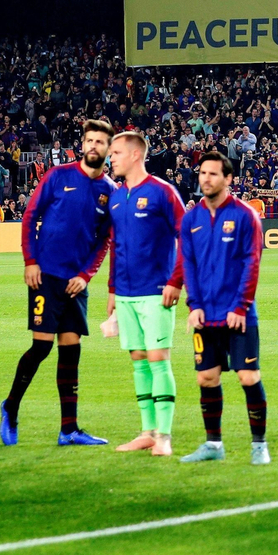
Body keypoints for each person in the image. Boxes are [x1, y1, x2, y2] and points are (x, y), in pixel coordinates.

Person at [1, 120, 115, 447]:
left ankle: (69, 429)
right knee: (41, 346)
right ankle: (10, 407)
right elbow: (30, 216)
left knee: (71, 350)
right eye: (89, 140)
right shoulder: (58, 176)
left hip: (75, 283)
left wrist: (85, 275)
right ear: (82, 144)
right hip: (45, 275)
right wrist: (30, 261)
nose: (94, 146)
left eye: (100, 142)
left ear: (107, 149)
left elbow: (104, 240)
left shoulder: (109, 191)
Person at [179, 151, 270, 465]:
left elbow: (251, 263)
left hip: (239, 314)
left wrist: (241, 306)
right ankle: (213, 446)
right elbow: (188, 263)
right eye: (203, 173)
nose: (206, 178)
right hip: (205, 315)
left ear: (228, 179)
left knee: (247, 375)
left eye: (213, 174)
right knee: (206, 378)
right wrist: (194, 305)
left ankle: (259, 445)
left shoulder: (245, 216)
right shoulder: (191, 219)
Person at [106, 130, 186, 457]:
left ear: (135, 154)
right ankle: (148, 432)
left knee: (157, 359)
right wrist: (112, 291)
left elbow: (188, 237)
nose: (111, 158)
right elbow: (116, 245)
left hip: (156, 291)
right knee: (138, 360)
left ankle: (164, 436)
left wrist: (175, 281)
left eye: (116, 152)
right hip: (124, 292)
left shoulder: (162, 192)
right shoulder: (115, 196)